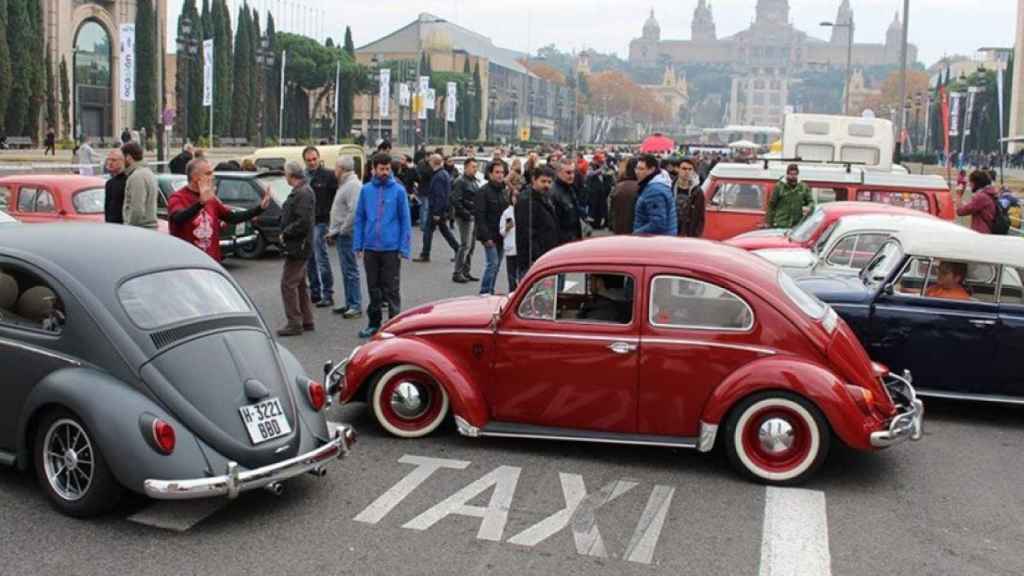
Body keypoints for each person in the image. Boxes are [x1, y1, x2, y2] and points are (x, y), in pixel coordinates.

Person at [353, 153, 412, 339]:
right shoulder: (366, 190)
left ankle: (396, 325)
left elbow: (405, 220)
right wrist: (358, 244)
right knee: (373, 288)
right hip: (370, 248)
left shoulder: (399, 191)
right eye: (381, 169)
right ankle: (374, 323)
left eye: (388, 169)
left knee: (392, 289)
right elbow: (360, 218)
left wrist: (404, 247)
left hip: (391, 248)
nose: (385, 172)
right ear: (374, 169)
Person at [167, 157, 269, 261]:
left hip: (211, 262)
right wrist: (200, 204)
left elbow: (232, 217)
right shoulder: (178, 198)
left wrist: (259, 208)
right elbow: (177, 218)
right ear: (195, 177)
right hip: (188, 263)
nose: (212, 177)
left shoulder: (211, 199)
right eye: (208, 173)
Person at [276, 161, 316, 337]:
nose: (284, 176)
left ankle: (294, 322)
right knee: (299, 284)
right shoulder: (302, 191)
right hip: (300, 244)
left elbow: (303, 221)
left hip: (298, 245)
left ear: (291, 175)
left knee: (288, 284)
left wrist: (286, 233)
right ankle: (306, 320)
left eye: (285, 173)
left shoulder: (303, 193)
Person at [326, 155, 363, 318]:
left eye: (336, 167)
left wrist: (342, 229)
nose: (334, 170)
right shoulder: (346, 184)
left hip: (346, 234)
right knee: (346, 269)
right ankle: (350, 302)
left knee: (350, 270)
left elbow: (354, 211)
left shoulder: (352, 185)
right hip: (342, 233)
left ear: (341, 169)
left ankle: (355, 304)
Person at [302, 146, 339, 307]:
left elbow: (336, 200)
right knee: (309, 258)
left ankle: (328, 294)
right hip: (306, 222)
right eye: (309, 160)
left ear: (319, 158)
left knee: (321, 257)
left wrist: (333, 224)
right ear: (304, 160)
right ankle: (315, 292)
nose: (312, 162)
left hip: (321, 221)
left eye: (314, 159)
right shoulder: (302, 177)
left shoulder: (329, 175)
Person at [414, 154, 460, 263]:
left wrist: (437, 213)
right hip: (440, 209)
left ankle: (425, 254)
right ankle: (458, 250)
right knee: (444, 231)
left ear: (433, 162)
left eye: (430, 161)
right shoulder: (443, 174)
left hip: (436, 209)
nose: (428, 163)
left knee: (428, 231)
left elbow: (440, 196)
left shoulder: (438, 176)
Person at [515, 167, 559, 276]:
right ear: (534, 179)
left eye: (549, 182)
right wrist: (536, 257)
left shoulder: (545, 197)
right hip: (534, 260)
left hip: (547, 255)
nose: (546, 185)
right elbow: (526, 233)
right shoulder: (527, 200)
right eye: (543, 181)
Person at [475, 161, 510, 295]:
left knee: (497, 265)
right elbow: (480, 216)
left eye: (502, 172)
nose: (500, 175)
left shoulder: (503, 191)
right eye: (497, 172)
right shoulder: (483, 192)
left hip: (501, 234)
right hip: (489, 235)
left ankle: (491, 290)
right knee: (493, 263)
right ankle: (484, 291)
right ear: (490, 174)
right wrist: (486, 237)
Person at [633, 154, 678, 236]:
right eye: (636, 168)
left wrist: (636, 233)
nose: (637, 172)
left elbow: (658, 223)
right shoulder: (657, 184)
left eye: (641, 169)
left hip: (655, 241)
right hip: (661, 238)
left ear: (652, 170)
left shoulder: (654, 191)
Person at [450, 157, 480, 283]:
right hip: (464, 217)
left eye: (476, 167)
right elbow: (456, 200)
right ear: (466, 167)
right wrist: (467, 214)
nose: (475, 169)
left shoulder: (473, 181)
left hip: (472, 215)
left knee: (471, 246)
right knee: (465, 245)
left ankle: (466, 271)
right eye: (473, 167)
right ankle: (457, 272)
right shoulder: (460, 181)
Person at [121, 142, 159, 229]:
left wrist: (129, 226)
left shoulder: (136, 176)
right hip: (147, 229)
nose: (121, 161)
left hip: (140, 229)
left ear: (128, 158)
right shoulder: (148, 172)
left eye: (122, 157)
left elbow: (137, 209)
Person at [765, 164, 813, 229]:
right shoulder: (779, 186)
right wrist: (769, 223)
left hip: (797, 226)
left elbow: (811, 202)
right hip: (781, 224)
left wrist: (809, 207)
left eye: (795, 174)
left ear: (797, 174)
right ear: (787, 174)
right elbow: (771, 205)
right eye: (791, 174)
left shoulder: (803, 187)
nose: (793, 177)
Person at [552, 160, 582, 244]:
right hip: (563, 240)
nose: (572, 176)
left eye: (573, 172)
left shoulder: (570, 188)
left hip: (573, 237)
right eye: (568, 173)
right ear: (558, 173)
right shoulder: (554, 193)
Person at [676, 157, 706, 237]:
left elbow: (701, 217)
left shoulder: (697, 192)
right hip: (671, 231)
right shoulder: (670, 187)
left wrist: (696, 235)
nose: (687, 172)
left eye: (690, 169)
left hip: (688, 233)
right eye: (684, 168)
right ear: (678, 169)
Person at [608, 157, 639, 234]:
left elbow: (611, 209)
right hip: (637, 230)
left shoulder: (618, 186)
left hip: (619, 228)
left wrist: (611, 224)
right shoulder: (643, 187)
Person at [586, 153, 614, 230]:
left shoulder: (603, 165)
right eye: (599, 161)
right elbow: (589, 174)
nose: (600, 162)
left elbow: (609, 172)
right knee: (593, 209)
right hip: (593, 192)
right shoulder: (591, 166)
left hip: (602, 192)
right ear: (595, 160)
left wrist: (606, 171)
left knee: (602, 208)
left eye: (601, 161)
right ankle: (592, 224)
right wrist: (599, 170)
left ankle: (603, 223)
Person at [500, 184, 520, 292]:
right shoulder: (507, 212)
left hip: (521, 248)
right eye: (514, 196)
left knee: (521, 275)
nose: (515, 199)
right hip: (511, 248)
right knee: (511, 275)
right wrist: (507, 228)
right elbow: (501, 231)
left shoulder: (523, 211)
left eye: (517, 196)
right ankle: (512, 293)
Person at [103, 149, 127, 224]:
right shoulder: (109, 183)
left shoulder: (129, 181)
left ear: (123, 161)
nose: (110, 163)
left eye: (113, 160)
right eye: (108, 160)